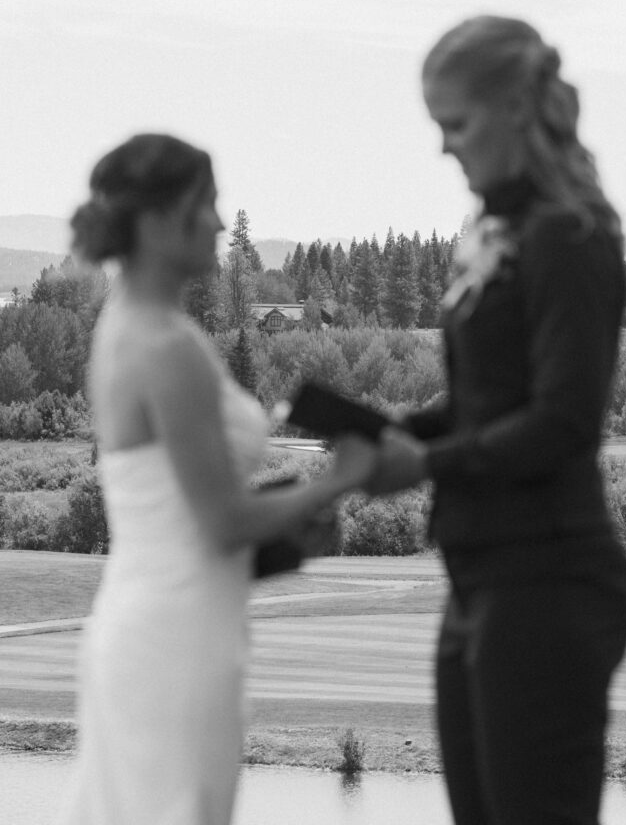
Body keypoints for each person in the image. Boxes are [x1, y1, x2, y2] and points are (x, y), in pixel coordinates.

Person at [363, 16, 626, 825]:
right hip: (479, 573)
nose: (445, 148)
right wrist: (397, 434)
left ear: (516, 108)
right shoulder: (499, 229)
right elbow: (483, 405)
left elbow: (563, 422)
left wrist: (425, 465)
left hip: (548, 579)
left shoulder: (567, 235)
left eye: (456, 124)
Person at [59, 133, 372, 825]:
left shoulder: (128, 326)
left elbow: (178, 515)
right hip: (175, 639)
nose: (221, 223)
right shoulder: (165, 345)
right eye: (207, 205)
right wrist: (335, 481)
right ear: (157, 220)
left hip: (165, 617)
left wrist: (286, 526)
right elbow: (221, 522)